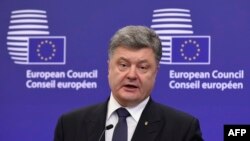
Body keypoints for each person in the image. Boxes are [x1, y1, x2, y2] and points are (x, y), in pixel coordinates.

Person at [54, 25, 203, 141]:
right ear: (109, 67)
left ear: (156, 72)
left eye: (143, 67)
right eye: (123, 65)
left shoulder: (182, 129)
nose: (132, 75)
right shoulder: (70, 125)